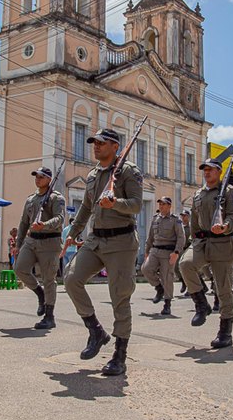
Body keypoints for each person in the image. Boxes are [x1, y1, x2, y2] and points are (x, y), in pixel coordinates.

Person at [63, 128, 142, 376]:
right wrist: (72, 235)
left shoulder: (128, 172)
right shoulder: (93, 175)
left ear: (115, 147)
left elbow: (137, 205)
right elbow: (86, 208)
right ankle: (96, 330)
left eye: (101, 143)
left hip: (121, 241)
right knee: (71, 278)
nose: (95, 146)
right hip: (96, 239)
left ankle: (120, 354)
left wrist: (115, 203)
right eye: (94, 142)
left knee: (120, 296)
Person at [179, 158, 233, 348]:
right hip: (202, 242)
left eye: (211, 169)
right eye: (204, 169)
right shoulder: (198, 194)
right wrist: (193, 239)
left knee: (223, 289)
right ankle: (201, 304)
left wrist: (225, 226)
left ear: (220, 172)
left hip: (222, 243)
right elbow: (195, 221)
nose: (207, 172)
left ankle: (225, 332)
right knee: (185, 264)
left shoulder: (230, 192)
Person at [14, 167, 66, 329]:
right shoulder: (31, 199)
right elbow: (23, 223)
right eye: (36, 176)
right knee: (20, 268)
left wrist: (43, 225)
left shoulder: (56, 198)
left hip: (50, 242)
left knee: (49, 279)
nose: (37, 179)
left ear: (49, 180)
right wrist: (18, 244)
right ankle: (40, 293)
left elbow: (60, 218)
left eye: (41, 177)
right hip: (31, 241)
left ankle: (49, 316)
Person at [142, 196, 185, 316]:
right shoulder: (155, 219)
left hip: (168, 252)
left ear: (169, 206)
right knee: (145, 269)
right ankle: (158, 287)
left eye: (163, 204)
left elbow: (181, 237)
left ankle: (167, 304)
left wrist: (176, 253)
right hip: (155, 250)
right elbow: (150, 237)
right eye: (160, 204)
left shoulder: (175, 220)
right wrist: (146, 251)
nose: (161, 206)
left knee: (167, 277)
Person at [178, 208, 191, 294]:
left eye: (185, 216)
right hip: (180, 249)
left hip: (188, 248)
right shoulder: (180, 227)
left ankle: (190, 289)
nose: (183, 217)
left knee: (187, 268)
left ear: (188, 217)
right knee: (176, 268)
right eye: (182, 216)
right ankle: (183, 282)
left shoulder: (191, 227)